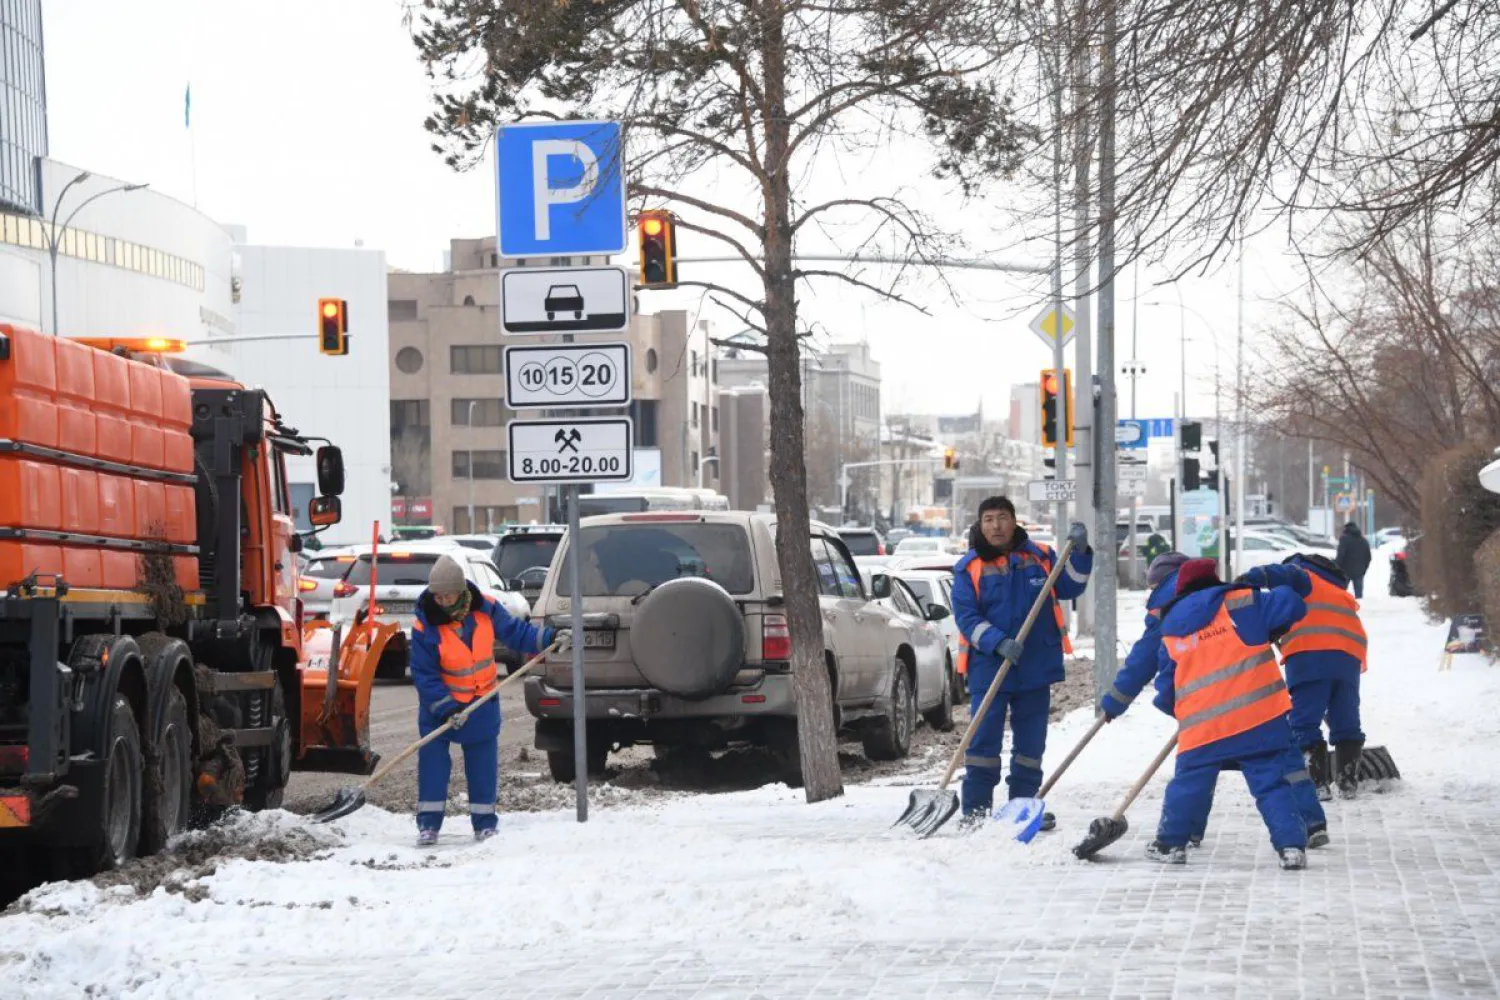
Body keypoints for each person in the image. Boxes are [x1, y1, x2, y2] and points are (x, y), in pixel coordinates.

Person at [1105, 553, 1329, 851]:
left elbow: (1156, 673)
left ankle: (1176, 842)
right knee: (1275, 778)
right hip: (1261, 716)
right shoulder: (1242, 600)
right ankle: (1298, 839)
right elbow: (1293, 601)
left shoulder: (1168, 618)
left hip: (1205, 724)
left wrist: (1185, 710)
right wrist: (1275, 577)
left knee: (1191, 780)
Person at [950, 496, 1093, 827]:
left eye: (1002, 517)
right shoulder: (968, 568)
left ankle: (1023, 807)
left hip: (1035, 665)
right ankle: (976, 810)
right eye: (988, 519)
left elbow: (1071, 586)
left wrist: (1081, 553)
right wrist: (997, 642)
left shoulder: (1040, 558)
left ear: (1015, 522)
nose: (996, 525)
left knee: (1031, 744)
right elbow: (966, 618)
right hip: (989, 667)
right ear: (979, 525)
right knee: (983, 741)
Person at [411, 553, 555, 845]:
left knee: (482, 767)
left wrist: (548, 638)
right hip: (440, 709)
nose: (443, 601)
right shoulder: (425, 624)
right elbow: (424, 675)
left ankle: (484, 823)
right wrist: (445, 707)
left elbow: (516, 633)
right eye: (438, 596)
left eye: (448, 594)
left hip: (480, 704)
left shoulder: (486, 608)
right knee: (433, 768)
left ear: (461, 590)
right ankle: (429, 825)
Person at [1239, 554, 1367, 800]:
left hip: (1311, 656)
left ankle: (1315, 783)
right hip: (1349, 657)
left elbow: (1281, 574)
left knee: (1304, 720)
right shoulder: (1337, 590)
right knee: (1345, 716)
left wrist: (1251, 578)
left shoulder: (1302, 575)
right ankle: (1348, 781)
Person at [1335, 522, 1372, 599]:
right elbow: (1368, 557)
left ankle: (1342, 608)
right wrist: (1363, 569)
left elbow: (1341, 555)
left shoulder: (1344, 539)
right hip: (1359, 571)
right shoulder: (1363, 540)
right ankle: (1360, 609)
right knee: (1359, 596)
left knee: (1341, 593)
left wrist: (1336, 567)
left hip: (1345, 571)